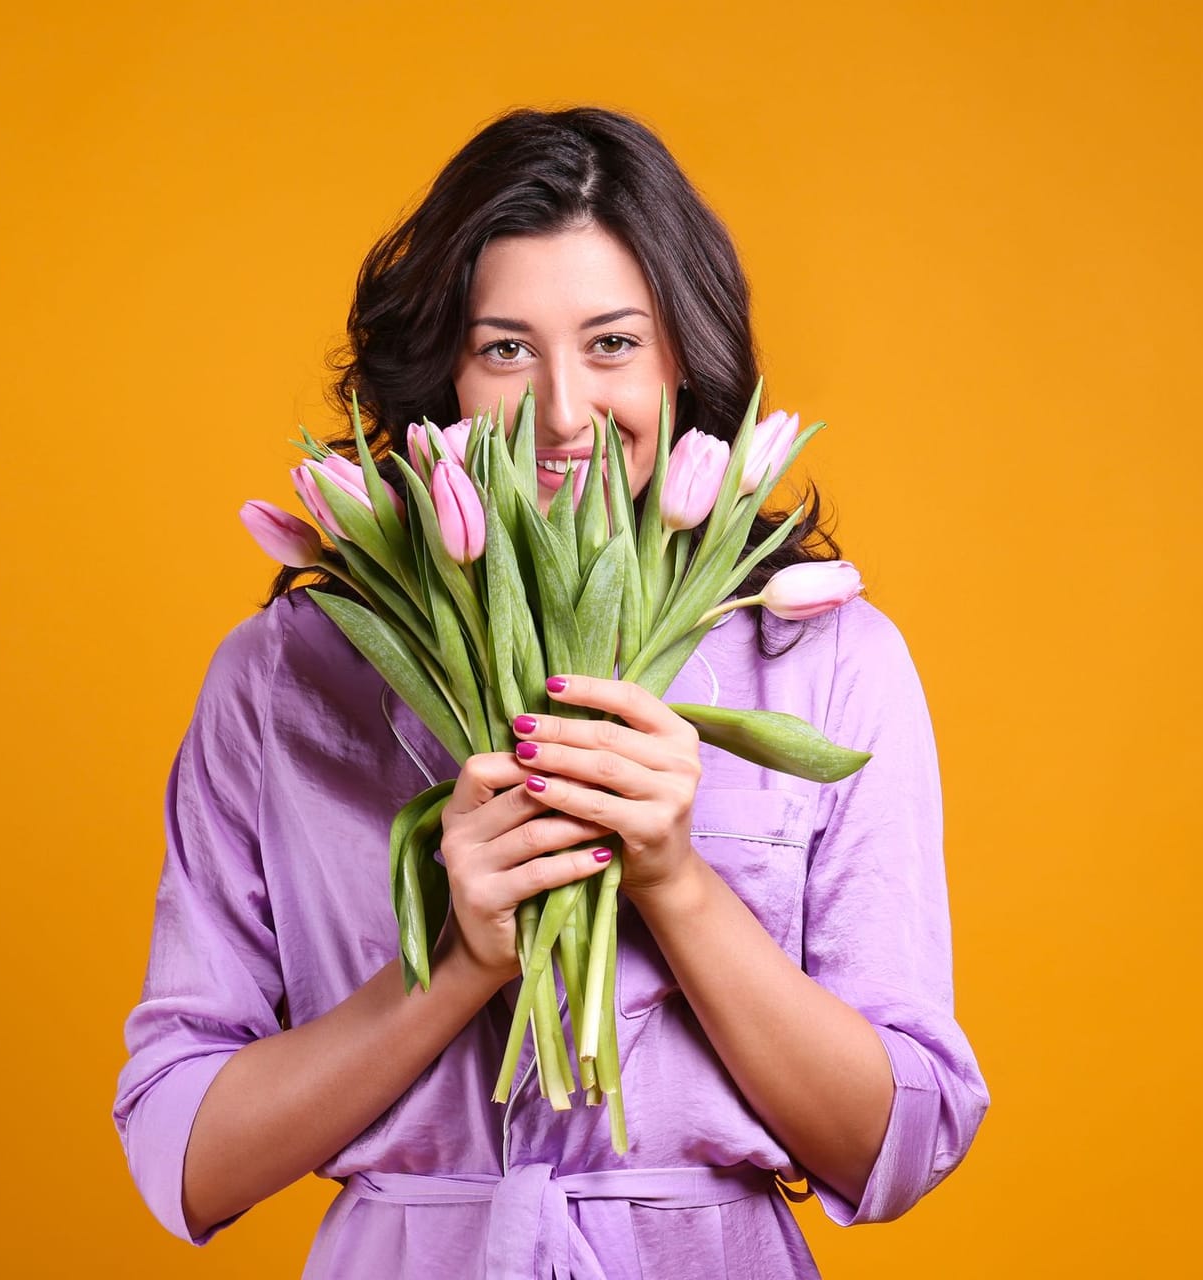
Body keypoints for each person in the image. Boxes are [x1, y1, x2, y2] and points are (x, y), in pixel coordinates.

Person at [111, 105, 990, 1277]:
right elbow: (183, 1155)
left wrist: (676, 878)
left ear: (687, 354)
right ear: (443, 373)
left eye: (614, 343)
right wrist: (460, 957)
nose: (564, 412)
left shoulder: (823, 656)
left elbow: (899, 1142)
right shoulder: (285, 675)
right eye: (506, 348)